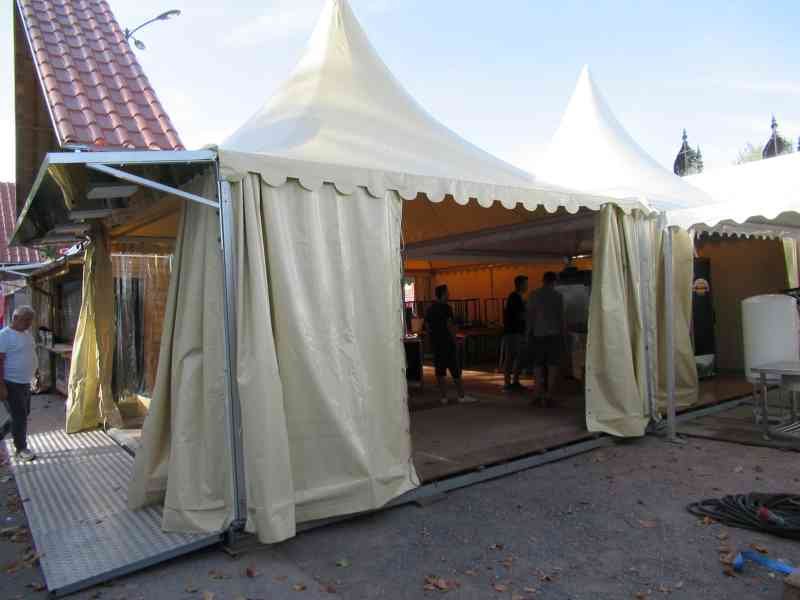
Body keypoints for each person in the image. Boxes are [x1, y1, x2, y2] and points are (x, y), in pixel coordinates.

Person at [424, 285, 477, 405]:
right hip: (447, 343)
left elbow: (427, 327)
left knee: (439, 371)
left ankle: (443, 397)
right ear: (443, 294)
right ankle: (461, 395)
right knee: (455, 369)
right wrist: (455, 341)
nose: (449, 294)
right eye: (448, 292)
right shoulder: (446, 308)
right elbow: (449, 326)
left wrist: (429, 342)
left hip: (436, 344)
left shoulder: (430, 308)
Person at [0, 306, 37, 461]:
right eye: (25, 320)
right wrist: (1, 386)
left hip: (25, 382)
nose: (28, 323)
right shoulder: (4, 336)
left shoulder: (27, 335)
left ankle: (2, 432)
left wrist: (35, 373)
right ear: (15, 318)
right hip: (11, 382)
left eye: (30, 320)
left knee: (22, 413)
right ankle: (21, 448)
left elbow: (30, 354)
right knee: (20, 415)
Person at [527, 272, 565, 405]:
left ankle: (536, 394)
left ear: (542, 280)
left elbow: (530, 316)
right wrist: (563, 334)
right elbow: (561, 318)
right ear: (554, 281)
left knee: (537, 364)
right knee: (552, 365)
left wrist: (528, 333)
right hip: (554, 335)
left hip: (538, 334)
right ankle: (549, 395)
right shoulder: (558, 296)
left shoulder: (534, 295)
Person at [502, 275, 529, 391]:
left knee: (514, 357)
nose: (527, 286)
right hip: (514, 332)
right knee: (514, 357)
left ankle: (512, 382)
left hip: (513, 332)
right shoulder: (515, 297)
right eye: (525, 283)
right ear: (520, 284)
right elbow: (521, 316)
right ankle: (510, 383)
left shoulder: (516, 297)